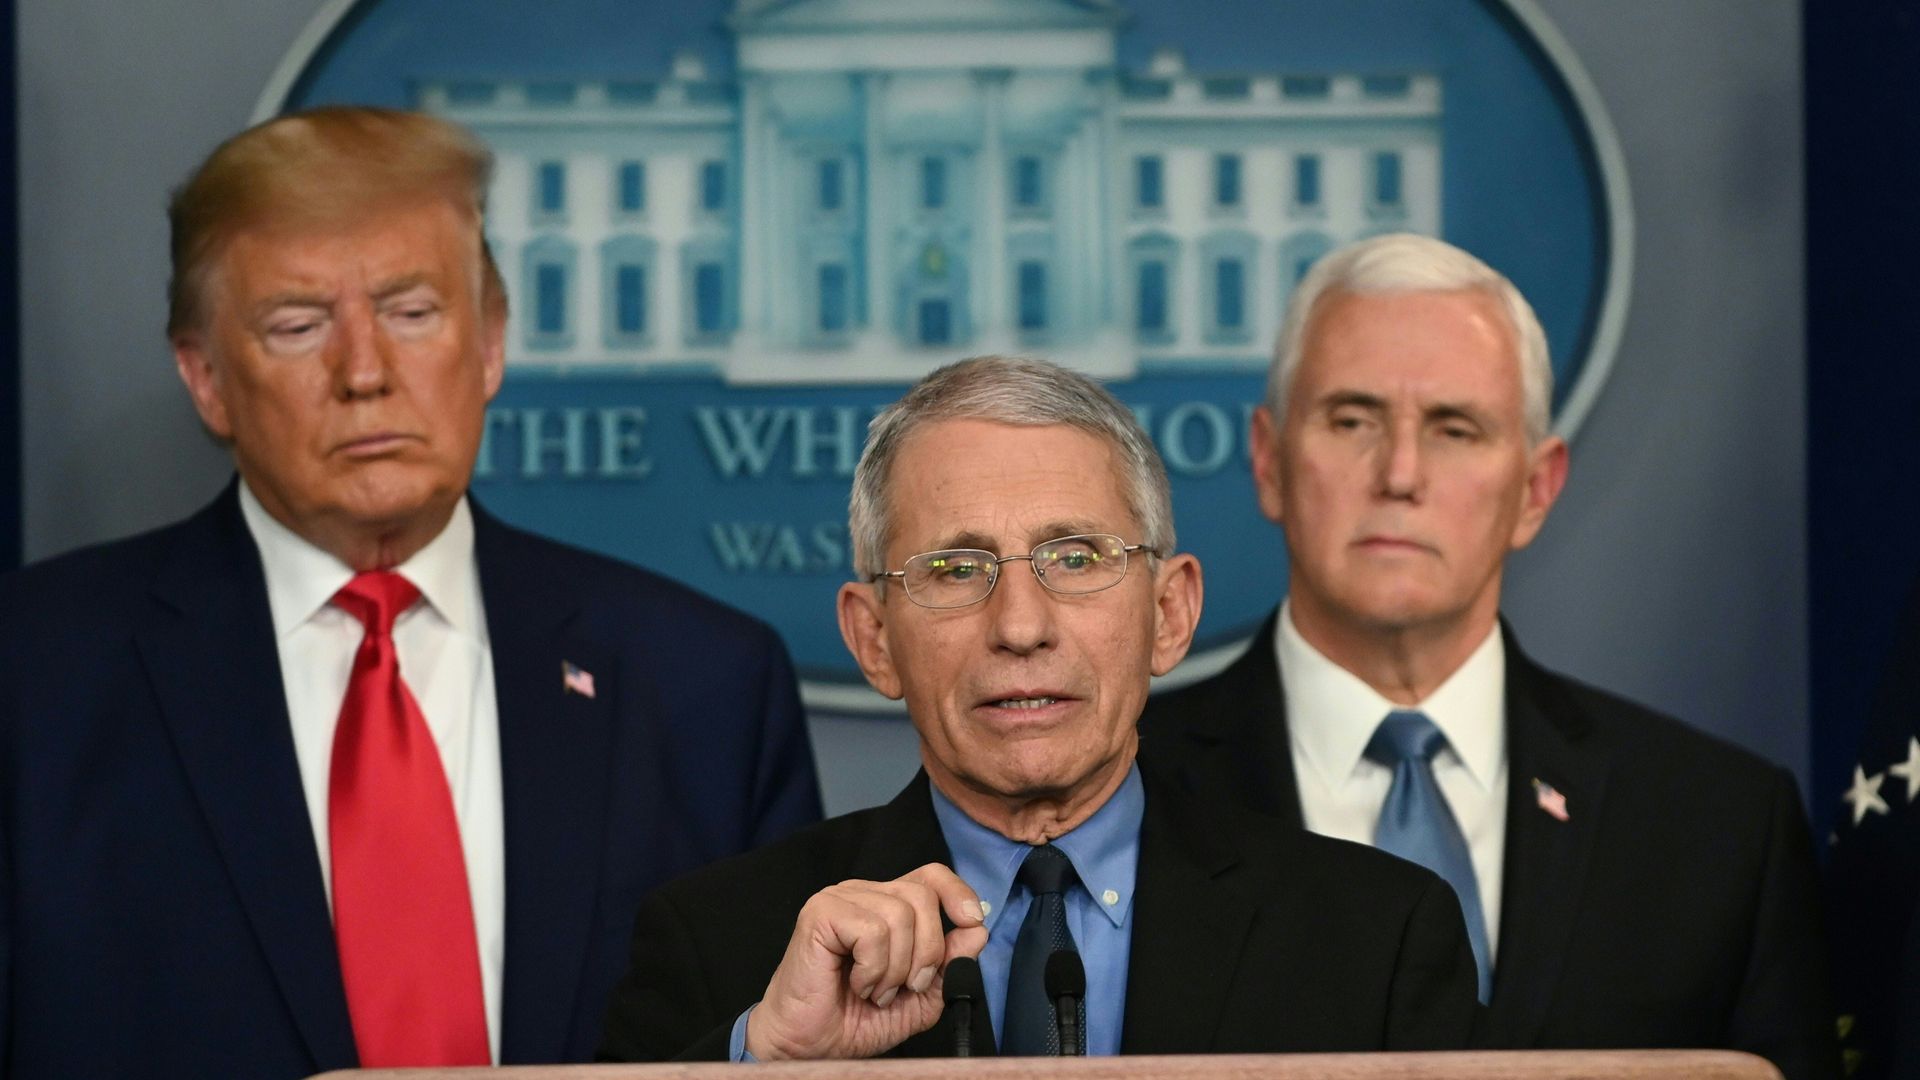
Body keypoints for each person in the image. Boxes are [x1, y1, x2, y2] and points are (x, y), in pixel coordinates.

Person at [0, 106, 821, 1079]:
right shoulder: (34, 679)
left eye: (412, 311)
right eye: (299, 326)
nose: (365, 372)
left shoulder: (704, 687)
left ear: (490, 344)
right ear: (207, 378)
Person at [596, 356, 1481, 1062]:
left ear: (1169, 613)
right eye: (953, 570)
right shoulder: (719, 944)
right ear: (874, 639)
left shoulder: (1376, 936)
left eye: (1077, 557)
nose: (1020, 627)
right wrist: (771, 1058)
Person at [1138, 233, 1836, 1079]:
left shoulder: (1721, 830)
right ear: (1269, 460)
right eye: (1352, 420)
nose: (1399, 473)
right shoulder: (1120, 794)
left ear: (1535, 490)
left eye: (1455, 428)